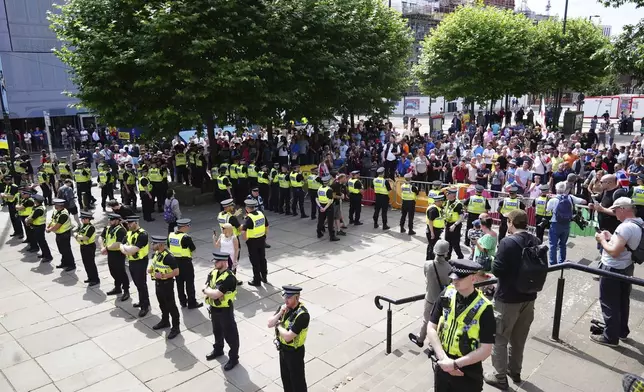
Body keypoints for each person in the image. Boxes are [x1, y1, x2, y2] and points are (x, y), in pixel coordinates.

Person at [483, 210, 538, 389]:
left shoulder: (507, 242)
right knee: (518, 338)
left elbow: (497, 270)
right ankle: (515, 371)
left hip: (507, 299)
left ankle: (499, 377)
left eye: (507, 220)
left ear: (511, 222)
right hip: (528, 298)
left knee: (499, 337)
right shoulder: (535, 240)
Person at [426, 259, 494, 392]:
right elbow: (431, 327)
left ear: (473, 279)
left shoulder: (485, 308)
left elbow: (486, 350)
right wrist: (444, 359)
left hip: (468, 371)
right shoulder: (447, 294)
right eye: (453, 277)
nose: (455, 281)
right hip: (443, 363)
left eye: (461, 278)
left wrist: (455, 364)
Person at [593, 197, 640, 347]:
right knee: (622, 301)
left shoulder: (625, 227)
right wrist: (611, 237)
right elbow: (624, 245)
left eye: (615, 210)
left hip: (613, 268)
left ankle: (610, 337)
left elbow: (614, 252)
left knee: (609, 303)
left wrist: (601, 240)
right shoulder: (638, 223)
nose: (613, 213)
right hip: (626, 267)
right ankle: (621, 331)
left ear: (623, 209)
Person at [409, 240, 451, 348]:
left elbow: (426, 277)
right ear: (446, 253)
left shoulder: (427, 264)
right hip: (442, 299)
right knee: (439, 322)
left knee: (426, 319)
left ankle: (420, 338)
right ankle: (433, 344)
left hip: (430, 297)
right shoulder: (449, 267)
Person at [267, 285, 310, 392]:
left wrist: (278, 326)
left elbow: (288, 336)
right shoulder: (284, 308)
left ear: (297, 297)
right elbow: (269, 323)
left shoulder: (302, 315)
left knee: (297, 382)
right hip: (283, 350)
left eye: (289, 297)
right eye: (285, 296)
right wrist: (280, 313)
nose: (286, 300)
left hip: (295, 353)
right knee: (286, 379)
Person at [204, 251, 240, 371]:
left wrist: (209, 291)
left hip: (225, 310)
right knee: (217, 331)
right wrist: (210, 291)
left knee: (230, 335)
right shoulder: (213, 272)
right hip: (214, 308)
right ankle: (218, 349)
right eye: (214, 261)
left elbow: (216, 293)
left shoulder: (229, 277)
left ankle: (234, 358)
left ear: (224, 262)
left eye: (217, 261)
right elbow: (206, 287)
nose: (215, 263)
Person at [546, 181, 587, 265]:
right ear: (565, 189)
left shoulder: (553, 200)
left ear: (556, 189)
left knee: (553, 244)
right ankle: (562, 261)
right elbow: (584, 201)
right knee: (563, 244)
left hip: (555, 223)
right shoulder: (570, 197)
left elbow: (547, 210)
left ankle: (553, 262)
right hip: (566, 224)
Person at [148, 235, 181, 339]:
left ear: (161, 245)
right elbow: (154, 264)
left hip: (167, 284)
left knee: (171, 305)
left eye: (154, 243)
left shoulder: (169, 257)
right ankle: (165, 321)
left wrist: (163, 276)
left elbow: (176, 272)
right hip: (158, 283)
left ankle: (176, 327)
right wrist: (150, 269)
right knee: (162, 304)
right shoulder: (157, 254)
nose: (152, 245)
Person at [120, 216, 150, 317]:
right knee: (137, 284)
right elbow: (121, 245)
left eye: (130, 223)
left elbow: (133, 250)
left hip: (140, 262)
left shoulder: (143, 234)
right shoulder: (129, 233)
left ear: (136, 223)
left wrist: (126, 249)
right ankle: (143, 301)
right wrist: (126, 249)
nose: (128, 225)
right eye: (127, 223)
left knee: (141, 284)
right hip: (132, 261)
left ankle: (145, 306)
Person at [168, 218, 202, 309]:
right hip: (186, 263)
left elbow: (169, 246)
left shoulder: (171, 235)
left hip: (175, 262)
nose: (189, 228)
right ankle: (192, 303)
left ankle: (182, 302)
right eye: (188, 226)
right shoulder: (185, 237)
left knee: (179, 283)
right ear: (185, 227)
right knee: (189, 283)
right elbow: (193, 249)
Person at [99, 213, 130, 301]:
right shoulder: (108, 228)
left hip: (119, 253)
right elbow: (101, 237)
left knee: (121, 272)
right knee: (112, 271)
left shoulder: (121, 230)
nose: (110, 221)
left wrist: (106, 248)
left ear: (117, 220)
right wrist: (102, 248)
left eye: (112, 220)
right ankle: (117, 287)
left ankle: (126, 290)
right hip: (110, 253)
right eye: (109, 219)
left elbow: (118, 244)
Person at [241, 199, 269, 286]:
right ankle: (264, 277)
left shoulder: (249, 218)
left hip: (252, 242)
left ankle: (257, 280)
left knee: (255, 261)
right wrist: (264, 235)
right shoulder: (261, 214)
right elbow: (267, 226)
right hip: (261, 239)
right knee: (262, 259)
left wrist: (245, 239)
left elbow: (243, 230)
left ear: (247, 208)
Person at [46, 198, 75, 271]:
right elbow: (52, 220)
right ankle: (64, 262)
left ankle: (71, 264)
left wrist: (49, 230)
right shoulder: (56, 211)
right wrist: (48, 226)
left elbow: (57, 226)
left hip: (64, 234)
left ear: (60, 205)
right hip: (59, 234)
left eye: (56, 204)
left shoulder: (63, 214)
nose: (55, 205)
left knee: (66, 250)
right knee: (61, 249)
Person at [74, 212, 99, 286]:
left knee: (90, 263)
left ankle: (95, 279)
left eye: (85, 219)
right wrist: (78, 236)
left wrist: (77, 236)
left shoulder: (91, 227)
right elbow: (78, 234)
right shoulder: (83, 226)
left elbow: (85, 238)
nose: (83, 220)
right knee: (86, 263)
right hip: (83, 246)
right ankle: (90, 277)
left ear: (89, 219)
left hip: (89, 247)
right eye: (82, 219)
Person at [25, 194, 53, 262]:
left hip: (39, 227)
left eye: (34, 200)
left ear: (37, 201)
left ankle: (48, 256)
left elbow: (32, 218)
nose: (34, 201)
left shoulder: (39, 210)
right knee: (40, 241)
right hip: (38, 226)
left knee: (42, 242)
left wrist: (27, 222)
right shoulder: (39, 207)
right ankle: (44, 254)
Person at [444, 188, 465, 259]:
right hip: (448, 224)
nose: (446, 194)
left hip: (455, 225)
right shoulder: (448, 201)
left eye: (448, 193)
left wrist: (454, 225)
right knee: (447, 242)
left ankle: (460, 256)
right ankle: (448, 256)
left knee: (455, 243)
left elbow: (461, 217)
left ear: (453, 195)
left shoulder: (458, 204)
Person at [316, 175, 338, 241]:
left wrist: (320, 207)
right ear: (328, 182)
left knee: (321, 220)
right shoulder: (329, 190)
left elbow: (316, 199)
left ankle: (319, 233)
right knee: (330, 222)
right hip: (328, 207)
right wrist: (325, 208)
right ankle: (332, 236)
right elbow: (330, 201)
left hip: (321, 205)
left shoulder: (319, 188)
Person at [426, 194, 446, 260]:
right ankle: (430, 260)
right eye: (441, 202)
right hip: (433, 230)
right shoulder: (433, 209)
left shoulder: (437, 207)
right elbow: (430, 221)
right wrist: (432, 233)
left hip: (436, 230)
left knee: (433, 245)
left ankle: (431, 259)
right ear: (437, 202)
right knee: (432, 247)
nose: (442, 203)